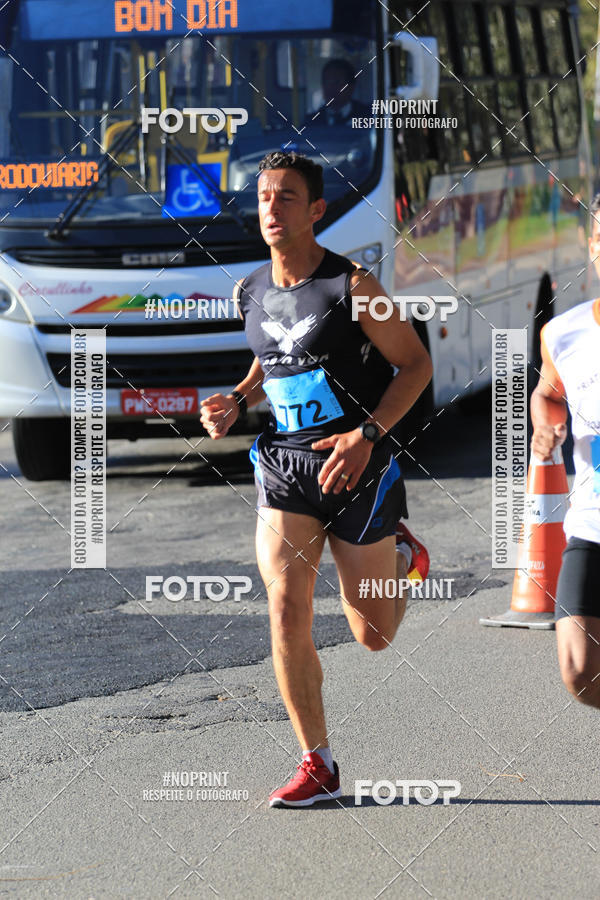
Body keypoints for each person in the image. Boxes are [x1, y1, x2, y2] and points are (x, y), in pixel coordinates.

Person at [200, 150, 432, 807]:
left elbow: (415, 366)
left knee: (373, 635)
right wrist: (237, 399)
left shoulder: (351, 287)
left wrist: (368, 435)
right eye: (264, 198)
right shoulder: (249, 289)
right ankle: (318, 762)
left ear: (317, 210)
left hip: (357, 466)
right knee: (285, 606)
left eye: (287, 197)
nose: (272, 209)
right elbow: (273, 358)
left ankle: (404, 557)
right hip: (285, 469)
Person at [530, 191, 600, 710]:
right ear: (592, 246)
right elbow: (548, 394)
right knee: (580, 671)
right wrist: (547, 427)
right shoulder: (563, 332)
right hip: (593, 522)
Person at [306, 59, 370, 127]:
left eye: (338, 82)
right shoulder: (311, 122)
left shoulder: (368, 117)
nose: (331, 87)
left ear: (351, 86)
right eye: (327, 82)